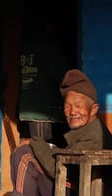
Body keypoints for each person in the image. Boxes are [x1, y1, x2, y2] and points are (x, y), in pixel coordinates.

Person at [0, 69, 112, 196]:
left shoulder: (95, 134)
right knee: (31, 156)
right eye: (67, 105)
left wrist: (35, 142)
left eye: (78, 106)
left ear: (94, 109)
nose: (72, 112)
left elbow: (59, 167)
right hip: (77, 189)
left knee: (24, 155)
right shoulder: (85, 129)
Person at [17, 19, 70, 147]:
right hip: (43, 111)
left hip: (26, 110)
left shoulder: (26, 48)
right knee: (43, 151)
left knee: (32, 150)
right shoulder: (48, 49)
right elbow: (63, 77)